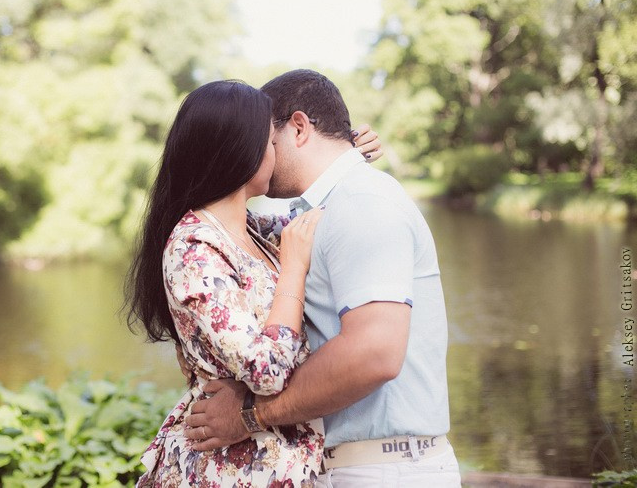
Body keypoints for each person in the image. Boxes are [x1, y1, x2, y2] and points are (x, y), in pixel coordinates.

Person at [182, 69, 462, 487]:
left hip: (385, 470)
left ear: (298, 128)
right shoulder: (320, 211)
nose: (258, 156)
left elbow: (374, 353)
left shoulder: (362, 203)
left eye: (265, 143)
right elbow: (224, 225)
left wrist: (250, 414)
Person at [124, 79, 382, 487]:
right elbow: (266, 372)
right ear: (240, 150)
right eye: (270, 141)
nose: (277, 151)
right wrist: (293, 271)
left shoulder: (252, 229)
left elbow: (320, 217)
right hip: (227, 470)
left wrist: (346, 156)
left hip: (278, 465)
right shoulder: (193, 249)